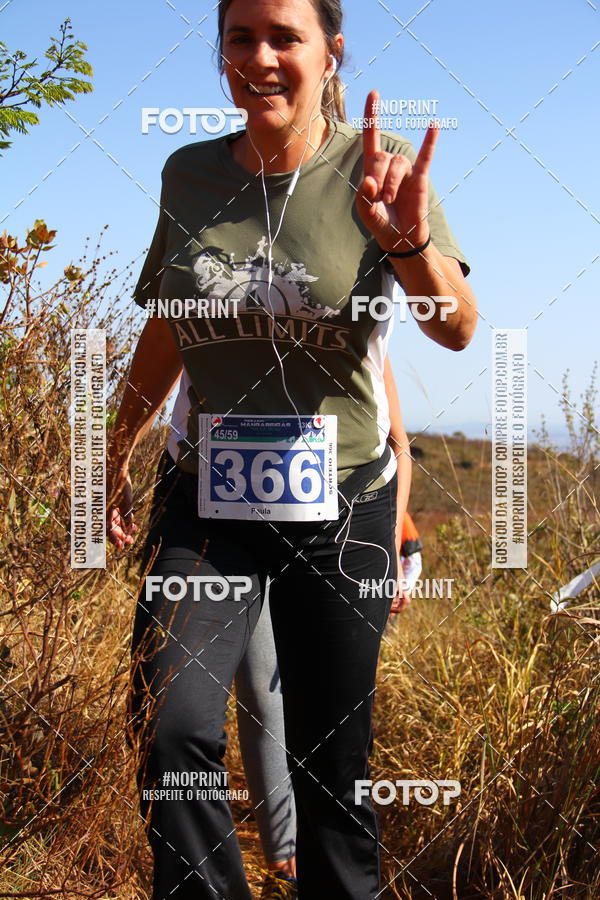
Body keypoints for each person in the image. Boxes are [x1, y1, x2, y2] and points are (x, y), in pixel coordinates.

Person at [107, 1, 477, 897]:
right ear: (221, 52)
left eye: (286, 38)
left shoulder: (377, 167)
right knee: (171, 729)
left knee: (330, 764)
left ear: (331, 52)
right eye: (241, 38)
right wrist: (113, 448)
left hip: (342, 505)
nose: (261, 58)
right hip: (206, 500)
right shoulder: (188, 173)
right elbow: (170, 325)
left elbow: (458, 327)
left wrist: (409, 244)